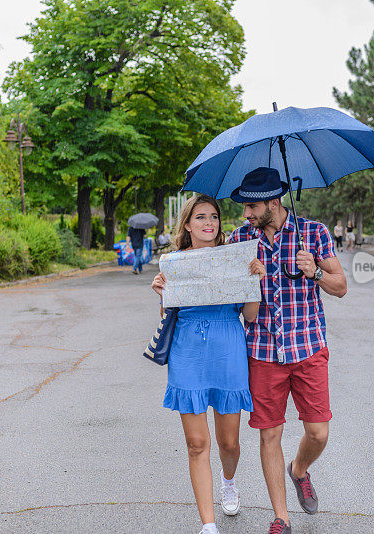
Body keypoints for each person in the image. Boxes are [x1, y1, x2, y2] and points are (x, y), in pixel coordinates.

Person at [227, 167, 347, 534]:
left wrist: (314, 273)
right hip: (262, 351)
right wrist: (249, 282)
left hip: (308, 348)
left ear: (274, 202)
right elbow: (226, 294)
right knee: (269, 434)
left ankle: (299, 470)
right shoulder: (239, 240)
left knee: (318, 432)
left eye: (251, 206)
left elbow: (340, 286)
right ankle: (281, 516)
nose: (246, 214)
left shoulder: (313, 232)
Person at [151, 194, 265, 534]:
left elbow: (250, 315)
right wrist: (162, 294)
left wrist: (254, 283)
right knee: (197, 443)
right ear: (188, 225)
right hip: (187, 350)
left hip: (228, 346)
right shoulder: (172, 263)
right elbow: (167, 316)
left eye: (213, 216)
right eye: (200, 217)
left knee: (229, 442)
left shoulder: (234, 257)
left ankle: (228, 481)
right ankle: (208, 525)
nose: (208, 222)